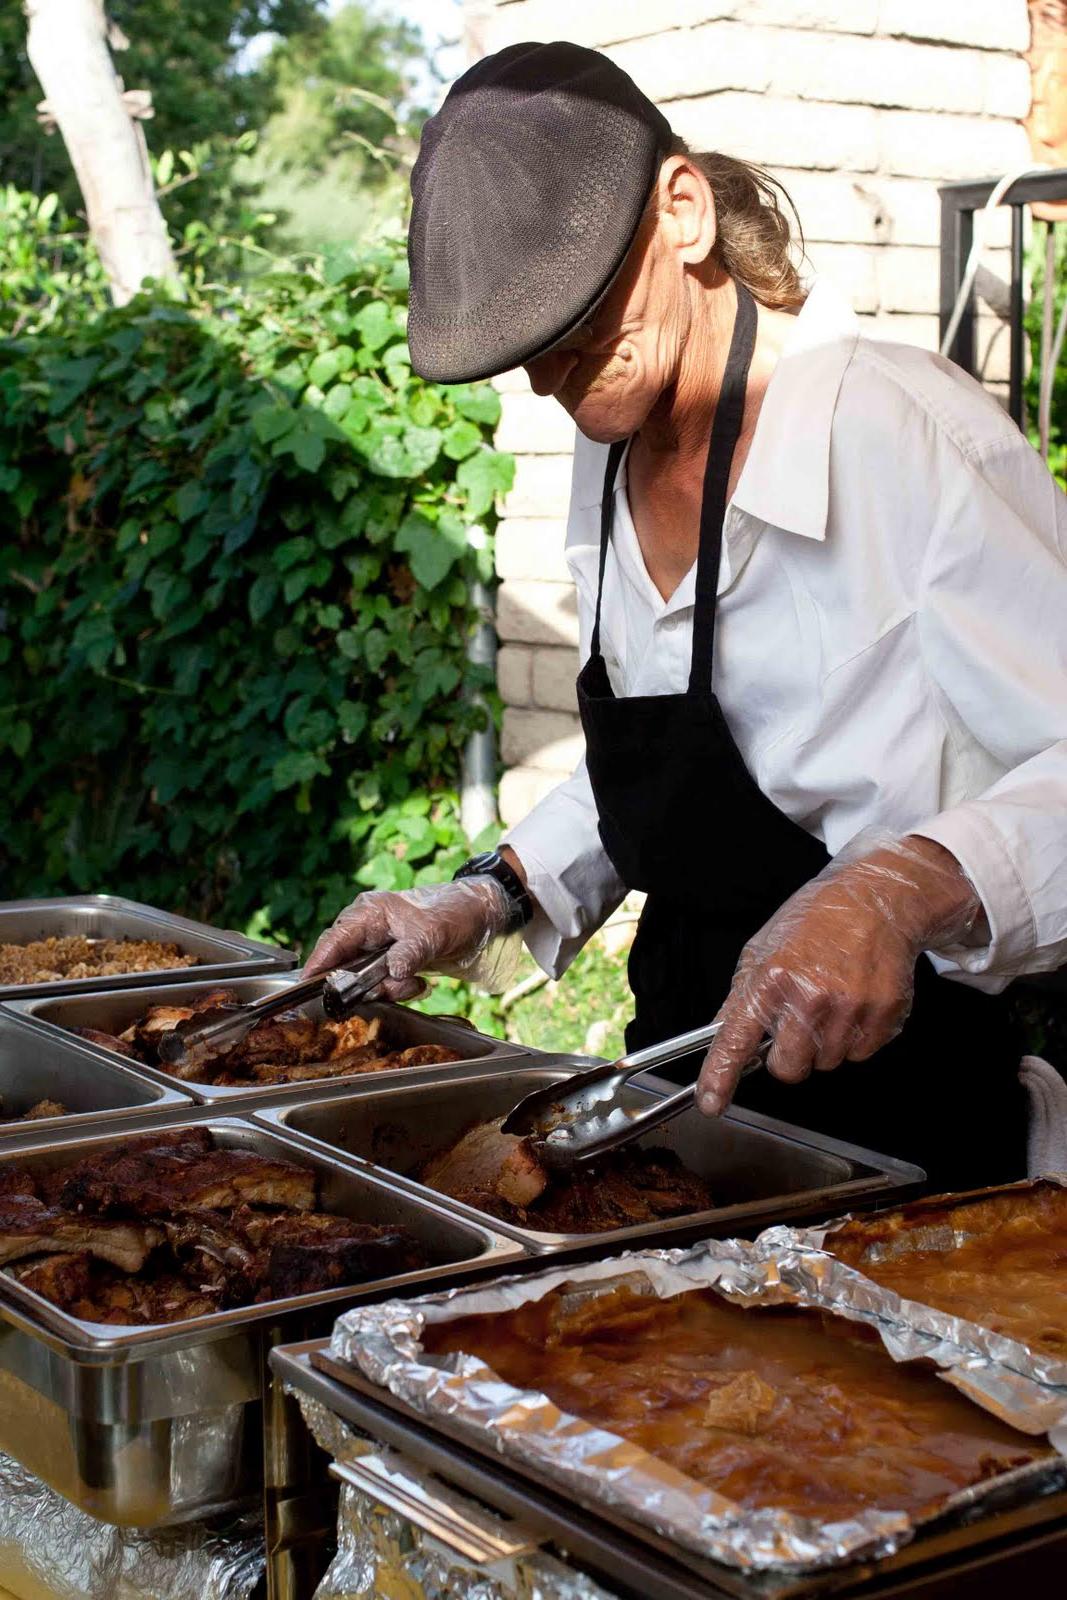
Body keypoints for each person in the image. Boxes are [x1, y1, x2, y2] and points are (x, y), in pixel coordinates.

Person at [306, 41, 1067, 1189]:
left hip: (909, 1146)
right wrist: (483, 894)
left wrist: (899, 885)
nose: (551, 379)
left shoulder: (901, 433)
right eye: (528, 352)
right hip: (683, 1121)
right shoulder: (606, 450)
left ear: (683, 212)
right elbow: (664, 770)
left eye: (573, 321)